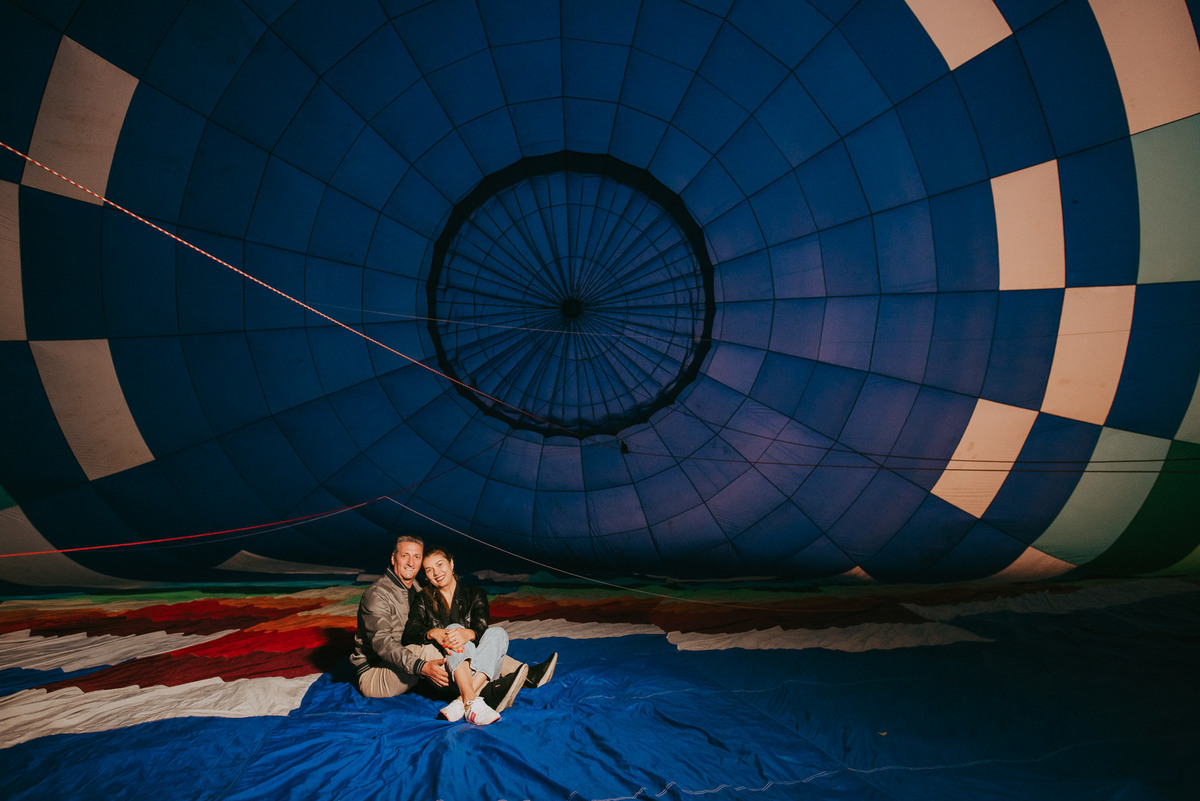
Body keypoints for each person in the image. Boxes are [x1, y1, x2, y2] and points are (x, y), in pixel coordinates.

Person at [406, 546, 558, 725]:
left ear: (452, 564)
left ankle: (462, 702)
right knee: (454, 628)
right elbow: (410, 632)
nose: (436, 572)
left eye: (440, 565)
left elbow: (481, 627)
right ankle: (480, 695)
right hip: (450, 670)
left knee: (498, 633)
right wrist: (434, 633)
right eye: (429, 570)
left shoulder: (475, 594)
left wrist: (467, 634)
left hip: (477, 665)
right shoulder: (423, 599)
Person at [350, 535, 450, 698]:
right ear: (393, 558)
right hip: (375, 672)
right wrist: (421, 667)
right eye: (405, 556)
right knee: (430, 651)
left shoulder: (420, 588)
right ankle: (477, 695)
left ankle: (501, 674)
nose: (411, 563)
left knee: (460, 639)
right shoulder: (377, 594)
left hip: (405, 663)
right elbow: (383, 643)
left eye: (416, 557)